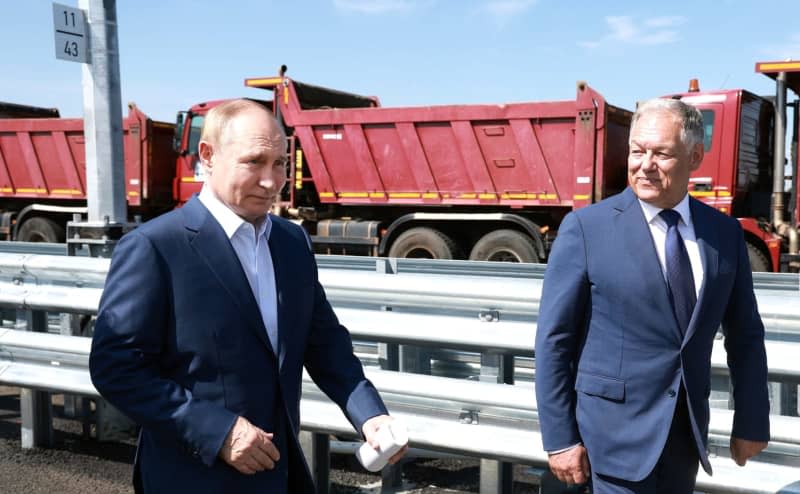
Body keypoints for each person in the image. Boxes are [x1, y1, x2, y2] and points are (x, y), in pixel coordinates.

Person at [89, 99, 406, 493]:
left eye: (280, 164)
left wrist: (369, 416)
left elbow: (323, 343)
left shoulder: (291, 243)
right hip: (192, 477)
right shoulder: (155, 247)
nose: (272, 181)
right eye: (254, 162)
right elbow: (115, 367)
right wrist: (217, 431)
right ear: (207, 156)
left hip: (280, 474)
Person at [534, 98, 770, 493]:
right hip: (608, 442)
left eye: (661, 154)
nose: (645, 165)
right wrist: (560, 439)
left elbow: (745, 335)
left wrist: (751, 420)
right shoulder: (586, 229)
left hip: (684, 440)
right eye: (637, 151)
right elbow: (554, 340)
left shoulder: (724, 235)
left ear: (695, 156)